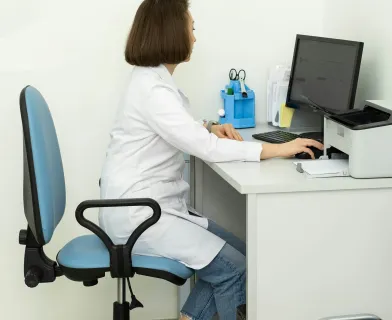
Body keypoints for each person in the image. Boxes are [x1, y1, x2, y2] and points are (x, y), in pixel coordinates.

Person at [98, 0, 324, 319]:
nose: (194, 38)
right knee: (233, 269)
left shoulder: (152, 80)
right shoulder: (153, 91)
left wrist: (207, 127)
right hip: (140, 217)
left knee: (243, 257)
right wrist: (277, 149)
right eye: (191, 28)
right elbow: (207, 149)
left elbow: (179, 128)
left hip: (151, 207)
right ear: (172, 33)